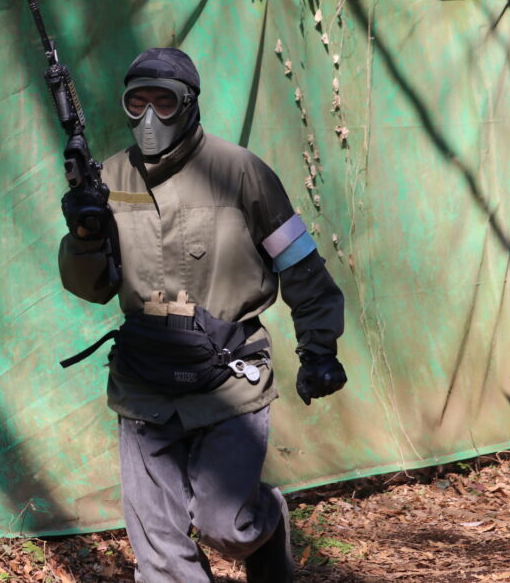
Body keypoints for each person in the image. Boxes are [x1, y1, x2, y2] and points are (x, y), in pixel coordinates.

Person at [57, 48, 346, 582]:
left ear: (189, 104)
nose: (149, 117)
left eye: (163, 102)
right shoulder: (111, 177)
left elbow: (300, 264)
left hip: (229, 380)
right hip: (145, 382)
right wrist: (84, 236)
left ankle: (268, 519)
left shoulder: (241, 173)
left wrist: (319, 348)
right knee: (160, 554)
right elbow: (89, 287)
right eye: (137, 102)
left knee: (228, 526)